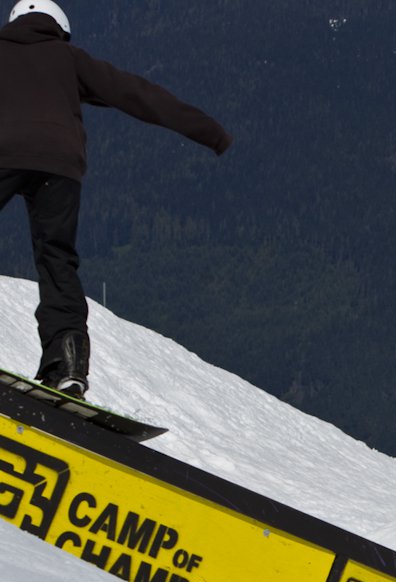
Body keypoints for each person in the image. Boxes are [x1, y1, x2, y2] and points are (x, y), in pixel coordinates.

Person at [0, 1, 232, 399]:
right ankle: (67, 364)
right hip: (61, 164)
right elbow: (137, 94)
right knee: (57, 260)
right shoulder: (69, 58)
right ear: (59, 28)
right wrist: (210, 131)